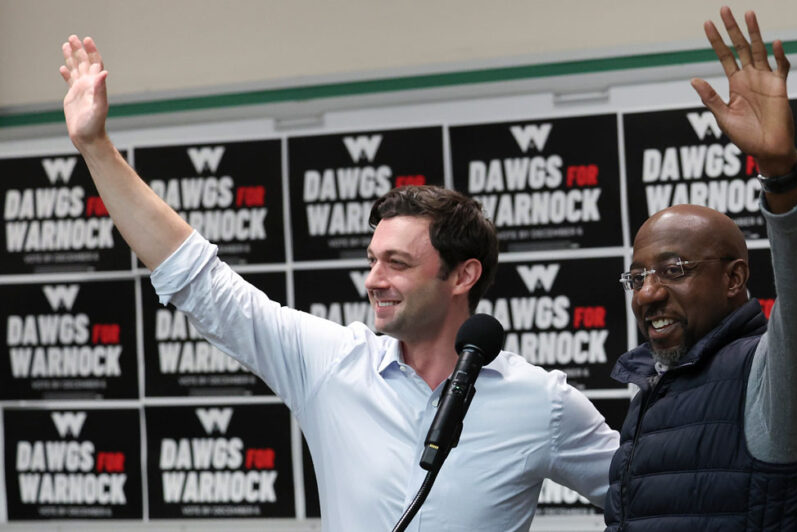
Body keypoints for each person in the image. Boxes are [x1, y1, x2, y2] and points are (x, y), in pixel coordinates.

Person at [58, 36, 618, 531]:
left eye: (397, 263)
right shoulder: (331, 365)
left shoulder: (540, 401)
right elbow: (200, 281)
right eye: (372, 260)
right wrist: (97, 149)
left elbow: (654, 493)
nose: (374, 280)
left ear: (462, 275)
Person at [604, 7, 797, 531]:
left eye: (673, 269)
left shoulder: (767, 380)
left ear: (734, 279)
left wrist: (782, 175)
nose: (647, 294)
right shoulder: (655, 392)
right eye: (638, 277)